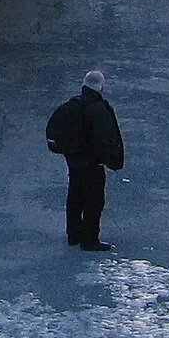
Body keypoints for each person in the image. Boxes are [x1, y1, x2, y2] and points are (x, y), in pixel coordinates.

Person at [46, 69, 125, 252]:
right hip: (92, 162)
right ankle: (90, 239)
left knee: (75, 195)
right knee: (94, 200)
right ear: (101, 87)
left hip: (73, 158)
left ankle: (73, 234)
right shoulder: (98, 109)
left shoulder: (73, 105)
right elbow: (105, 138)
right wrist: (110, 160)